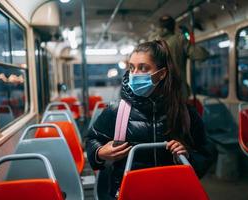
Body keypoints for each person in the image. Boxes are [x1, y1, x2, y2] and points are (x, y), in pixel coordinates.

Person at [86, 40, 216, 199]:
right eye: (132, 67)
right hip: (128, 193)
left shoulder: (184, 113)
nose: (134, 74)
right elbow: (92, 139)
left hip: (171, 192)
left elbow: (207, 151)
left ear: (161, 73)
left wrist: (186, 157)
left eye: (143, 68)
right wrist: (100, 152)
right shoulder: (117, 110)